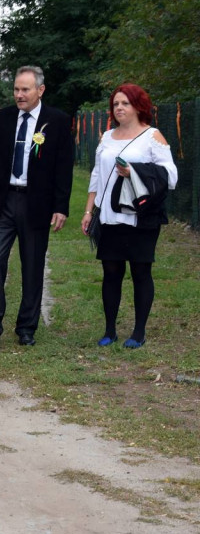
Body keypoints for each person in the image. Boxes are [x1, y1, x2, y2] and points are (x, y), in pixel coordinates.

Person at [0, 66, 73, 349]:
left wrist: (60, 206)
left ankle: (27, 327)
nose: (19, 95)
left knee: (32, 265)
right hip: (2, 200)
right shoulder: (2, 118)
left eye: (25, 89)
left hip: (36, 203)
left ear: (40, 90)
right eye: (17, 89)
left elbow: (63, 168)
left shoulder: (57, 121)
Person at [81, 84, 177, 348]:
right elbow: (97, 176)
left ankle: (138, 332)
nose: (119, 108)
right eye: (116, 104)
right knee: (110, 271)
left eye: (125, 103)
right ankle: (110, 330)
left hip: (140, 217)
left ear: (138, 106)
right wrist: (90, 210)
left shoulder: (152, 136)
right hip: (109, 216)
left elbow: (171, 176)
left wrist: (134, 171)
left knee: (140, 271)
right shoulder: (107, 136)